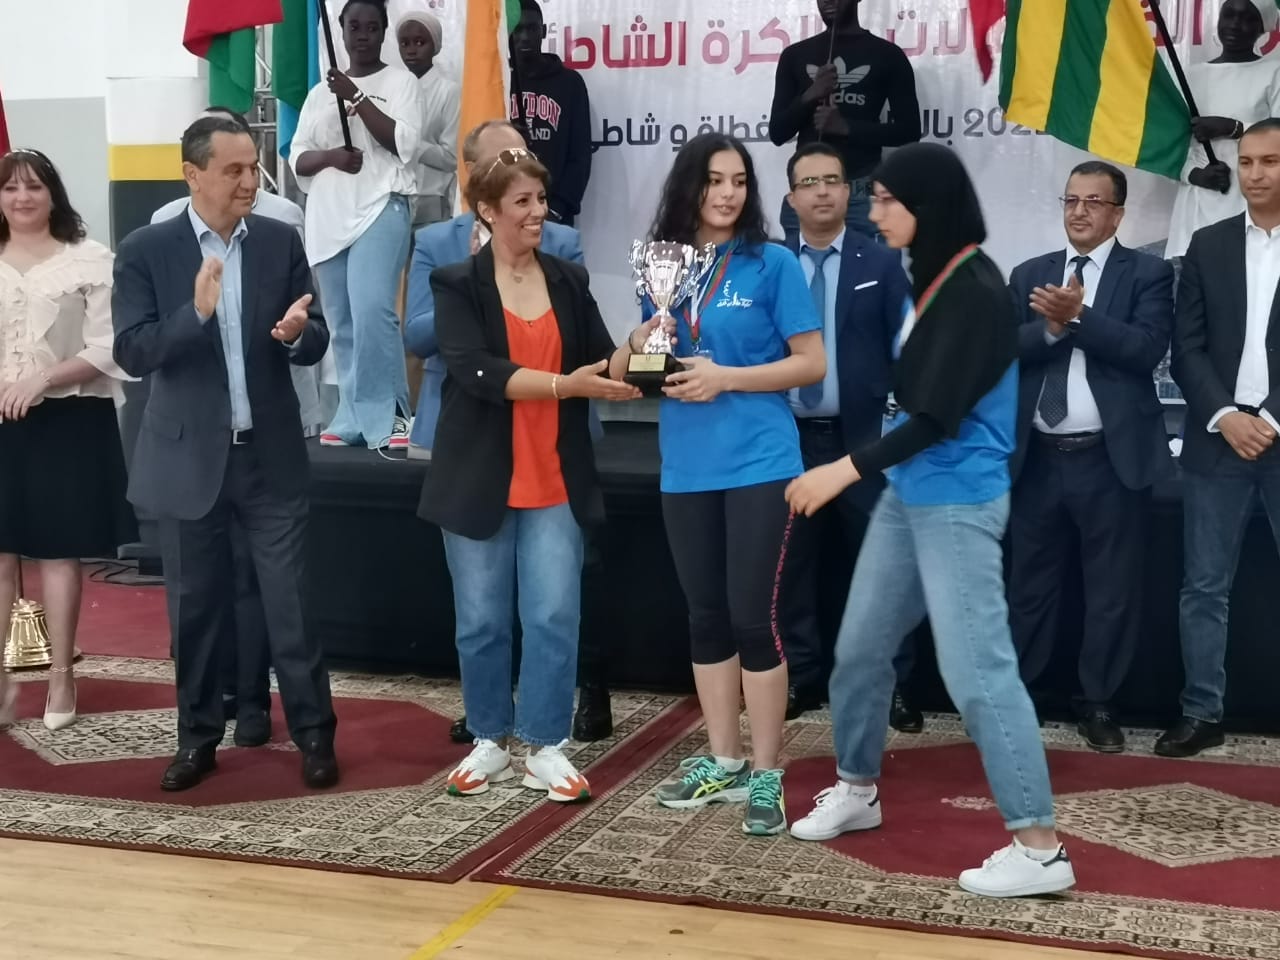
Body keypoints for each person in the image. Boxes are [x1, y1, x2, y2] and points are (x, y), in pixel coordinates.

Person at [785, 143, 1075, 899]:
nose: (871, 211)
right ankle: (857, 788)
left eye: (884, 200)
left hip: (957, 499)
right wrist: (1045, 334)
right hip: (911, 493)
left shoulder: (972, 284)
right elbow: (975, 364)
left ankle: (1039, 847)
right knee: (859, 651)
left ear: (927, 205)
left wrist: (841, 470)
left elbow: (939, 415)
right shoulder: (937, 275)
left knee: (978, 673)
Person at [111, 116, 339, 792]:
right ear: (193, 174)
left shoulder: (278, 239)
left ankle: (315, 737)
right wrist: (197, 316)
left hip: (269, 456)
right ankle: (197, 739)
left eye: (253, 168)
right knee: (195, 607)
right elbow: (133, 351)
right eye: (234, 170)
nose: (249, 181)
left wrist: (302, 335)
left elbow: (317, 332)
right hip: (187, 460)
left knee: (291, 604)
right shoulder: (147, 249)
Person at [421, 147, 640, 802]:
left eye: (542, 200)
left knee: (552, 616)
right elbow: (473, 369)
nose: (539, 212)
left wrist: (641, 344)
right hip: (479, 477)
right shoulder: (457, 282)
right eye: (523, 202)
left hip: (556, 477)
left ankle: (546, 744)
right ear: (488, 211)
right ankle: (490, 739)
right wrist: (562, 384)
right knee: (482, 621)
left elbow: (602, 361)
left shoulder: (568, 280)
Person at [638, 133, 825, 837]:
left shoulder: (773, 263)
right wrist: (641, 346)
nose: (726, 193)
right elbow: (658, 353)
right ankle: (722, 758)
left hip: (760, 460)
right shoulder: (663, 264)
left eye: (739, 181)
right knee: (705, 615)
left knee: (753, 618)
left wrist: (727, 378)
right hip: (685, 462)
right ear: (689, 187)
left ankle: (769, 771)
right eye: (714, 180)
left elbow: (810, 364)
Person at [1008, 161, 1174, 753]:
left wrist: (1078, 317)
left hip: (1109, 458)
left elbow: (1144, 349)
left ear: (1118, 213)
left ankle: (1097, 702)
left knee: (1111, 591)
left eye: (1094, 202)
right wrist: (1050, 330)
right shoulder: (1030, 273)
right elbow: (1006, 352)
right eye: (1071, 200)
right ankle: (1018, 698)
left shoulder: (1148, 275)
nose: (1079, 211)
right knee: (1029, 588)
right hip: (1037, 460)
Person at [775, 142, 920, 727]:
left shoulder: (880, 262)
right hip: (785, 441)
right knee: (789, 570)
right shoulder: (769, 264)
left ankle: (895, 686)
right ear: (791, 198)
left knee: (884, 567)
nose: (822, 192)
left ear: (848, 191)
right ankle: (799, 678)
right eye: (809, 183)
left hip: (863, 444)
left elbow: (907, 355)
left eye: (833, 180)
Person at [0, 148, 136, 732]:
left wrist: (43, 378)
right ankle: (2, 680)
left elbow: (111, 345)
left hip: (67, 419)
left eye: (34, 187)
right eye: (10, 189)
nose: (22, 197)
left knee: (57, 549)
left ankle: (61, 675)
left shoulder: (89, 260)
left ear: (53, 194)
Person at [1165, 118, 1280, 758]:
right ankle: (1201, 711)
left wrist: (1269, 418)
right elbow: (1187, 348)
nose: (1256, 174)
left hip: (1277, 437)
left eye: (1269, 162)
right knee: (1203, 586)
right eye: (1247, 163)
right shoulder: (1208, 244)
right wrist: (1224, 415)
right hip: (1217, 439)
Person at [291, 0, 423, 450]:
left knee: (374, 312)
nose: (362, 34)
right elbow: (299, 159)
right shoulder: (316, 95)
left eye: (371, 27)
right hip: (329, 215)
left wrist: (357, 96)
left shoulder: (402, 82)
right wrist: (332, 156)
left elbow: (403, 143)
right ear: (341, 30)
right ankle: (352, 413)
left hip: (381, 206)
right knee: (343, 323)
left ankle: (392, 414)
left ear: (383, 31)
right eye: (353, 26)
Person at [769, 0, 921, 246]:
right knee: (804, 281)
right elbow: (777, 132)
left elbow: (910, 131)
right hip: (807, 191)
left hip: (863, 196)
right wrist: (811, 94)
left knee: (868, 282)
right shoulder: (794, 55)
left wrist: (846, 127)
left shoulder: (887, 55)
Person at [1165, 0, 1280, 260]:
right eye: (1229, 15)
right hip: (1194, 207)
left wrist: (1234, 128)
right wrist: (1194, 175)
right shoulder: (1189, 77)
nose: (1235, 25)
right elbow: (1169, 144)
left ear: (1262, 29)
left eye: (1247, 18)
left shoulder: (1274, 73)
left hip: (1250, 205)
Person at [509, 0, 592, 227]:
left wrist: (557, 208)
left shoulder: (569, 83)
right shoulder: (498, 81)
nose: (524, 36)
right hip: (507, 214)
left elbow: (580, 155)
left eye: (531, 28)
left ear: (544, 31)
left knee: (555, 265)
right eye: (517, 29)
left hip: (554, 213)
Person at [395, 10, 460, 228]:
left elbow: (451, 157)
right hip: (394, 199)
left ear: (435, 45)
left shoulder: (449, 92)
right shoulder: (394, 91)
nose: (411, 50)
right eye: (404, 43)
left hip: (434, 201)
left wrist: (406, 141)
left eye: (420, 42)